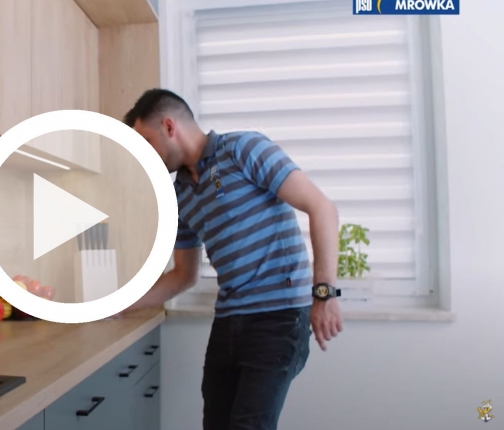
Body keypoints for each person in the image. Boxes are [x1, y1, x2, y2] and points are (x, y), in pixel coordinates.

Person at [120, 89, 343, 429]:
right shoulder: (178, 196)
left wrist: (324, 294)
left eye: (147, 143)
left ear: (169, 126)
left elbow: (322, 208)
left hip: (278, 319)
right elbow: (183, 275)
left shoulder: (242, 149)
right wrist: (121, 304)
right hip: (228, 323)